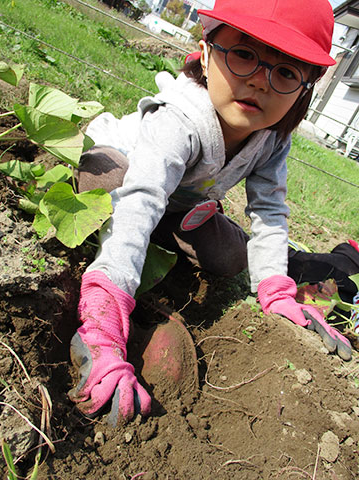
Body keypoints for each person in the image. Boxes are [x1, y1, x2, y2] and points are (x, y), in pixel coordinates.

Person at [68, 0, 354, 425]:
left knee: (231, 259)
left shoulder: (272, 139)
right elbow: (142, 198)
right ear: (205, 51)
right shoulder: (180, 119)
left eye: (287, 72)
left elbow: (271, 211)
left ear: (306, 88)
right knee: (108, 182)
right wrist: (105, 307)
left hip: (182, 205)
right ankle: (135, 259)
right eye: (243, 54)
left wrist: (275, 289)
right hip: (126, 175)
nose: (261, 81)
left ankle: (320, 259)